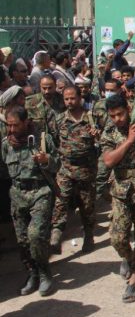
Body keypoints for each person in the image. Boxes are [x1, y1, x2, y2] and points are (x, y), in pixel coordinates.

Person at [100, 94, 135, 303]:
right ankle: (129, 258)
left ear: (128, 108)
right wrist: (129, 141)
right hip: (120, 190)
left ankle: (134, 280)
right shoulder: (108, 133)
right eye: (113, 116)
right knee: (118, 238)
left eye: (120, 114)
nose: (117, 119)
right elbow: (108, 161)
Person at [3, 106, 60, 296]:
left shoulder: (42, 140)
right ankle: (32, 273)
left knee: (36, 235)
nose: (11, 130)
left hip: (40, 192)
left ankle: (45, 273)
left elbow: (58, 163)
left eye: (15, 125)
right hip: (17, 195)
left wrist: (46, 160)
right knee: (23, 240)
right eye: (8, 126)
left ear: (26, 122)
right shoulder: (6, 144)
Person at [50, 86, 101, 254]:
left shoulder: (91, 118)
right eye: (66, 99)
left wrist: (97, 136)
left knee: (86, 205)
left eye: (72, 98)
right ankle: (56, 233)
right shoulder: (58, 120)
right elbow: (54, 142)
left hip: (86, 170)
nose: (69, 102)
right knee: (61, 200)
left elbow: (103, 142)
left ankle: (88, 235)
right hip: (65, 169)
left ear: (80, 98)